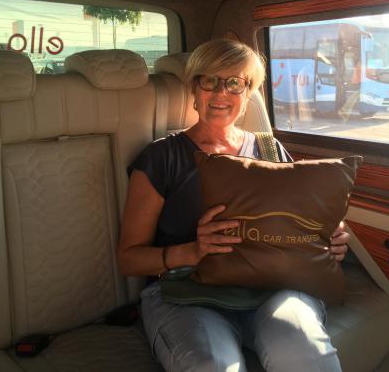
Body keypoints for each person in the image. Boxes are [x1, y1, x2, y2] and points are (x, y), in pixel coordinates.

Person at [117, 39, 350, 372]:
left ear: (248, 93)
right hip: (186, 291)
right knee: (213, 366)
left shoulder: (269, 150)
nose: (220, 93)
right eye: (209, 80)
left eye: (235, 83)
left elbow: (301, 219)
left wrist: (328, 235)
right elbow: (128, 258)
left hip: (272, 285)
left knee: (305, 353)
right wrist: (193, 251)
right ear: (194, 88)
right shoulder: (161, 157)